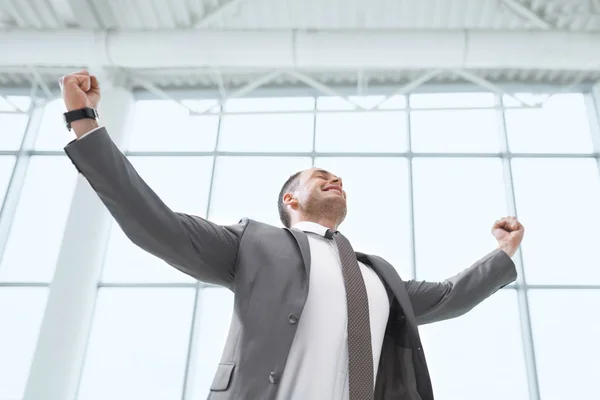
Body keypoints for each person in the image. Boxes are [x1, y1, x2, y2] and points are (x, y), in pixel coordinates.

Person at [59, 70, 524, 400]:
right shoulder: (253, 244)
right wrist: (84, 121)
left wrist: (503, 254)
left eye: (338, 176)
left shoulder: (380, 277)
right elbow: (154, 222)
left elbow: (449, 296)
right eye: (320, 175)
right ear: (290, 200)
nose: (334, 178)